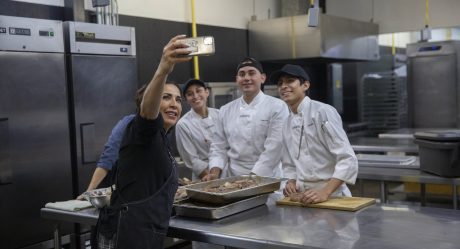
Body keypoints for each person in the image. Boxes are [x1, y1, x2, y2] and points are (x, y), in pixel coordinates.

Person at [94, 35, 191, 249]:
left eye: (178, 99)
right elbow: (148, 113)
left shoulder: (162, 139)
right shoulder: (143, 130)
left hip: (145, 232)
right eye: (166, 97)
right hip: (127, 234)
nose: (174, 103)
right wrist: (163, 69)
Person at [270, 64, 358, 205]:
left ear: (305, 85)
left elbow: (347, 159)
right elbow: (289, 163)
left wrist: (325, 192)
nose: (283, 86)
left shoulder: (322, 112)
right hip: (303, 197)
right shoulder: (287, 122)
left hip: (332, 195)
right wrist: (291, 181)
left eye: (290, 81)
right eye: (280, 83)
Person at [204, 57, 289, 180]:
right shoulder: (225, 110)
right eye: (242, 74)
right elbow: (218, 146)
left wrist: (253, 178)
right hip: (234, 178)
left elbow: (274, 148)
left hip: (268, 178)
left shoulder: (277, 107)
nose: (246, 78)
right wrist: (214, 173)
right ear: (237, 79)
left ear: (262, 78)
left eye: (252, 73)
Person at [77, 86, 146, 199]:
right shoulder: (128, 124)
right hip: (119, 192)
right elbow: (107, 158)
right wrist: (90, 191)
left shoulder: (164, 128)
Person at [175, 79, 220, 180]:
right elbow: (192, 160)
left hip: (227, 172)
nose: (195, 96)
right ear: (186, 99)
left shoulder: (219, 114)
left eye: (198, 91)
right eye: (190, 94)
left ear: (207, 92)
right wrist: (211, 179)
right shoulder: (183, 124)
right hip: (204, 178)